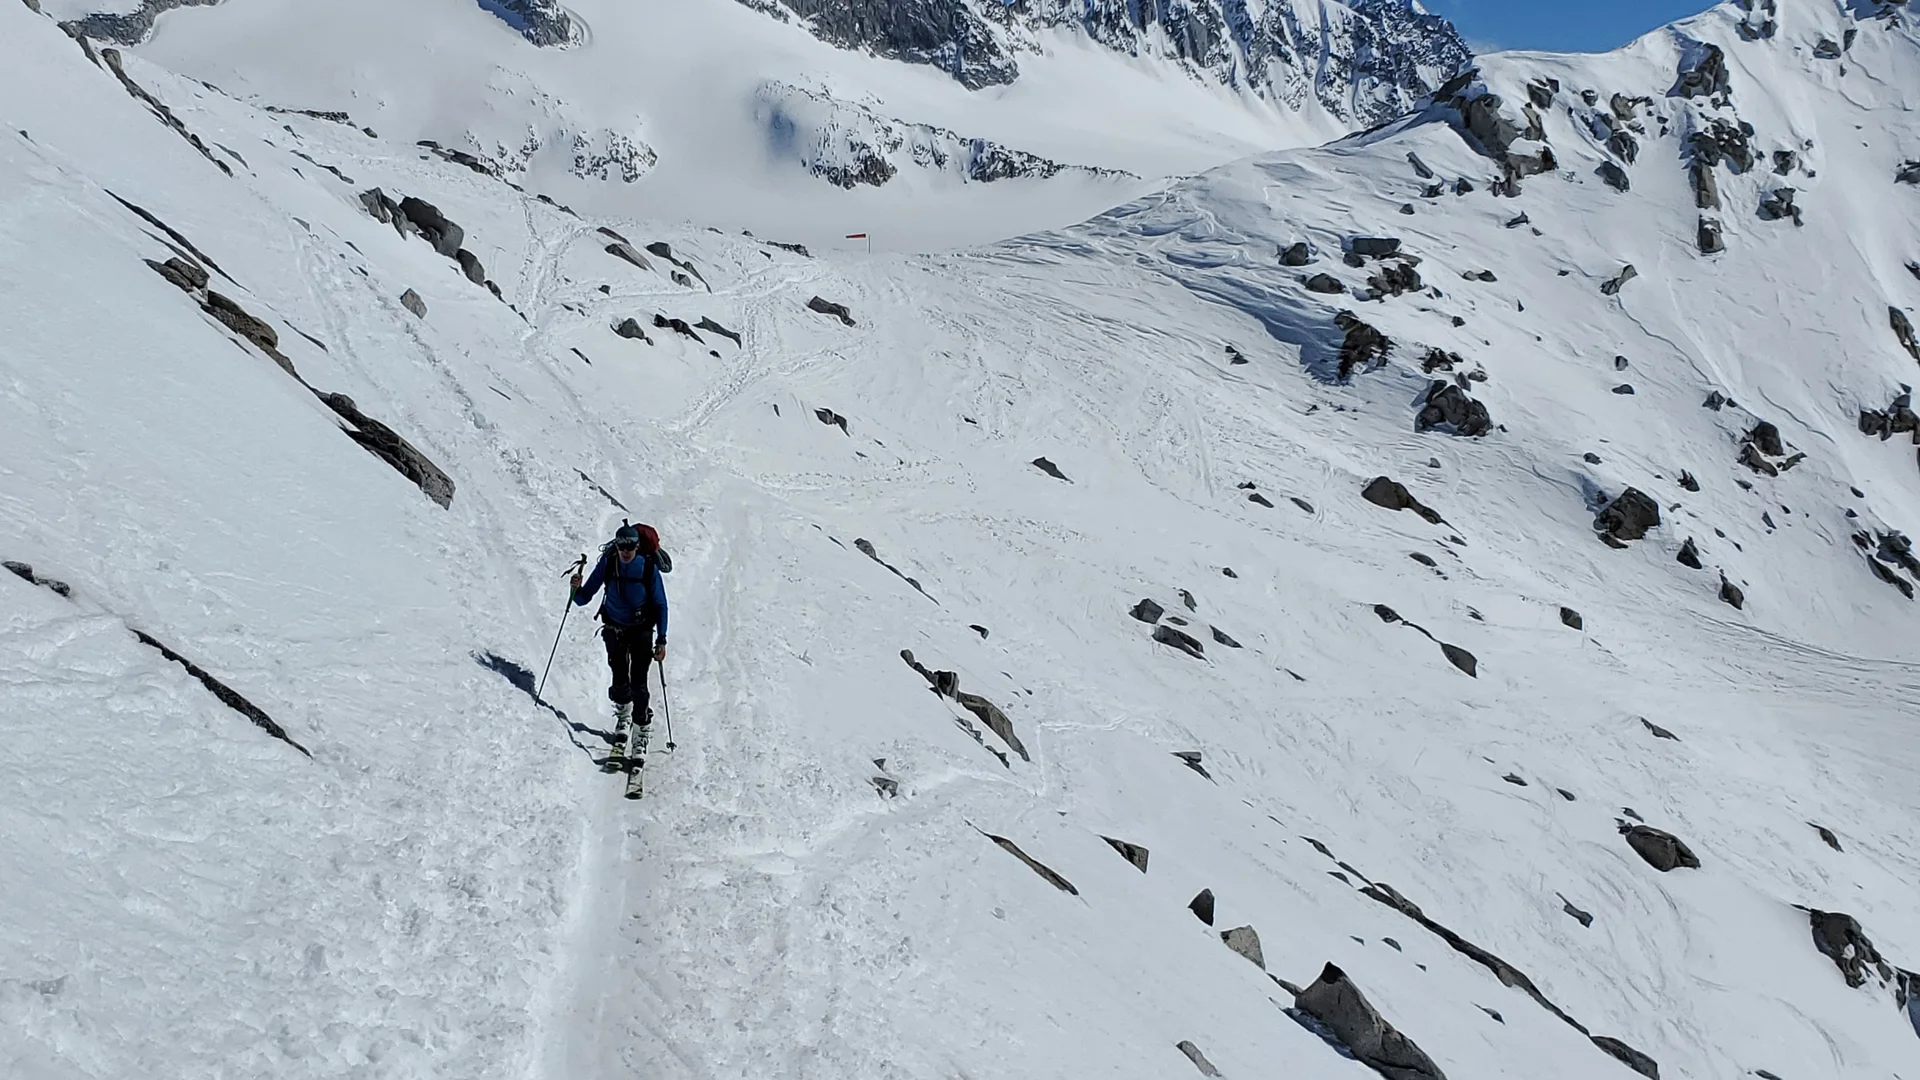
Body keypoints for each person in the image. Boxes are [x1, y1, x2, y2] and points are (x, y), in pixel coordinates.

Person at [570, 524, 668, 743]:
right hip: (614, 628)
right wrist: (575, 589)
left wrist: (662, 639)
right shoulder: (608, 564)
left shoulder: (647, 568)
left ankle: (641, 727)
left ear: (637, 546)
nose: (625, 551)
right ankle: (624, 717)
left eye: (630, 546)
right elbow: (583, 598)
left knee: (639, 683)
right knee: (619, 678)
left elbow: (661, 604)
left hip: (641, 630)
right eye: (622, 546)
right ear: (616, 545)